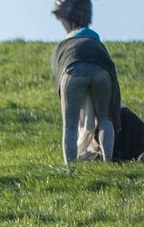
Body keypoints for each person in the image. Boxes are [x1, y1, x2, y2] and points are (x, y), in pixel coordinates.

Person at [52, 27, 122, 164]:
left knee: (70, 126)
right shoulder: (97, 44)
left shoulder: (63, 46)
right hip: (101, 71)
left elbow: (57, 73)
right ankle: (107, 162)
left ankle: (70, 168)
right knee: (105, 119)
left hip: (72, 70)